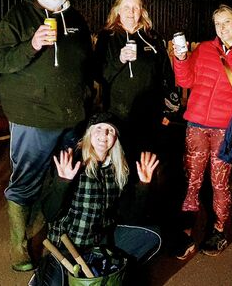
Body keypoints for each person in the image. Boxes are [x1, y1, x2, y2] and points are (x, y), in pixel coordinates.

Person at [0, 0, 94, 272]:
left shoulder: (75, 18)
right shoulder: (18, 18)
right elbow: (0, 61)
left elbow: (86, 64)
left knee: (63, 179)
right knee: (25, 182)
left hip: (70, 118)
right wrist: (32, 44)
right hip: (32, 119)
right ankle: (19, 247)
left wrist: (87, 98)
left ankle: (59, 236)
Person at [171, 4, 232, 258]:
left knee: (219, 183)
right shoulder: (203, 49)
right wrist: (180, 60)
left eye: (226, 22)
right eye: (217, 24)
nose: (221, 28)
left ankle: (218, 230)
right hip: (197, 125)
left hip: (226, 129)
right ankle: (186, 230)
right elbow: (185, 81)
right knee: (192, 179)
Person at [30, 112, 162, 286]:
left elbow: (131, 217)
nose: (104, 135)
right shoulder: (73, 163)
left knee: (152, 235)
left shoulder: (119, 171)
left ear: (115, 139)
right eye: (98, 128)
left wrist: (143, 187)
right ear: (89, 133)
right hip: (67, 247)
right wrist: (62, 183)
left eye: (110, 131)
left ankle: (116, 272)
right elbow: (49, 214)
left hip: (100, 246)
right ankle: (50, 272)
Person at [93, 0, 180, 166]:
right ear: (117, 9)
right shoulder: (106, 37)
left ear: (142, 11)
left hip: (150, 117)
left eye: (135, 7)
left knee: (146, 167)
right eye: (126, 7)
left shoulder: (152, 38)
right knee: (118, 166)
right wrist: (120, 60)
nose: (131, 12)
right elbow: (98, 75)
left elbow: (166, 76)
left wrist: (169, 110)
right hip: (116, 116)